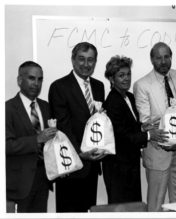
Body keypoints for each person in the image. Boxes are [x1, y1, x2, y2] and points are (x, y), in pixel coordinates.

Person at [133, 42, 176, 211]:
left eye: (167, 56)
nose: (163, 61)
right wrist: (168, 123)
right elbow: (145, 122)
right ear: (152, 60)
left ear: (171, 57)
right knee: (156, 201)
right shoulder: (142, 84)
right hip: (158, 149)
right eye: (159, 58)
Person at [102, 55, 168, 204]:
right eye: (121, 75)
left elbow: (129, 126)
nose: (126, 78)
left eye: (128, 74)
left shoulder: (129, 97)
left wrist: (142, 127)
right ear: (112, 79)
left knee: (133, 206)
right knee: (121, 209)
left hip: (129, 164)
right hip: (117, 167)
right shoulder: (112, 102)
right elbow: (121, 136)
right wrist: (149, 135)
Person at [48, 42, 106, 212]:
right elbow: (63, 127)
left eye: (91, 60)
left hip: (92, 164)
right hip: (70, 164)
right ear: (73, 60)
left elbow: (99, 122)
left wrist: (100, 148)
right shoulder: (59, 86)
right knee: (69, 212)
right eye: (81, 59)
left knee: (88, 211)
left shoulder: (98, 86)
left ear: (95, 62)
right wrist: (81, 153)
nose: (86, 64)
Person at [6, 61, 57, 212]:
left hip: (43, 180)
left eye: (40, 79)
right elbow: (6, 145)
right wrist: (36, 139)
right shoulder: (7, 109)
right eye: (31, 78)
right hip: (19, 184)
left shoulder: (46, 106)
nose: (36, 83)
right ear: (19, 80)